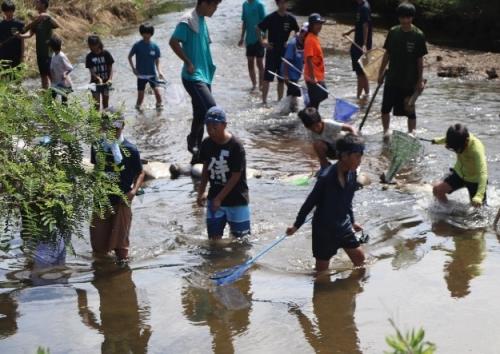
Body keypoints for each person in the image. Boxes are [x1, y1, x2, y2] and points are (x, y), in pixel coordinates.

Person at [286, 134, 366, 272]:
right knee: (322, 272)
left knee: (360, 260)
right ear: (345, 156)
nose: (360, 161)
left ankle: (353, 290)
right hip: (324, 230)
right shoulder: (326, 178)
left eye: (361, 156)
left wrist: (352, 221)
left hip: (344, 226)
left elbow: (347, 200)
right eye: (357, 156)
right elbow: (309, 203)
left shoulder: (352, 174)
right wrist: (296, 226)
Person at [90, 108, 145, 265]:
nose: (112, 130)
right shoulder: (97, 146)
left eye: (116, 126)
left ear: (123, 126)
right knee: (99, 248)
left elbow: (140, 173)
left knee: (121, 249)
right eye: (108, 126)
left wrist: (133, 191)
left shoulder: (131, 149)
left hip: (122, 201)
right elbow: (96, 168)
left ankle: (121, 276)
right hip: (101, 200)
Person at [170, 0, 221, 165]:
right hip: (193, 76)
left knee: (200, 114)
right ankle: (217, 149)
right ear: (205, 3)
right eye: (214, 5)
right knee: (213, 111)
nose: (216, 9)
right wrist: (188, 61)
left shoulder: (203, 21)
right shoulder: (188, 20)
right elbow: (173, 42)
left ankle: (196, 154)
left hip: (205, 75)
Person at [197, 106, 250, 240]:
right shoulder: (206, 144)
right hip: (214, 197)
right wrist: (201, 191)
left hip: (236, 200)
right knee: (214, 242)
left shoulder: (236, 146)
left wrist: (219, 198)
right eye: (208, 127)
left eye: (215, 126)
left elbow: (236, 175)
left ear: (224, 125)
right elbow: (205, 169)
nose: (211, 130)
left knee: (240, 242)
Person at [377, 2, 427, 138]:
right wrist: (381, 73)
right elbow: (387, 54)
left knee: (410, 108)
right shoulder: (393, 32)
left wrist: (420, 80)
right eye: (402, 17)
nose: (405, 20)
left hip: (409, 79)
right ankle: (386, 130)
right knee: (385, 107)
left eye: (408, 17)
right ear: (398, 18)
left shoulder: (418, 35)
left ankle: (411, 133)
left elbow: (420, 60)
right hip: (392, 77)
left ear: (412, 18)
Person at [432, 124, 487, 208]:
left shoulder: (476, 149)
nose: (456, 151)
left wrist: (479, 196)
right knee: (437, 189)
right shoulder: (459, 137)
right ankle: (448, 212)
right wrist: (437, 141)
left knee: (478, 210)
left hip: (475, 180)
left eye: (456, 149)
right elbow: (448, 139)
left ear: (465, 143)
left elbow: (483, 173)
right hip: (459, 173)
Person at [257, 0, 299, 105]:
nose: (283, 5)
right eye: (281, 3)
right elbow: (258, 28)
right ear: (277, 4)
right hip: (272, 50)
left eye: (285, 2)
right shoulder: (271, 17)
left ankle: (279, 101)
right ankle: (264, 102)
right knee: (267, 78)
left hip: (284, 52)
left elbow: (297, 32)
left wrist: (290, 42)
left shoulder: (290, 19)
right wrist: (263, 42)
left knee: (281, 78)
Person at [17, 0, 60, 89]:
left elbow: (57, 25)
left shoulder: (47, 19)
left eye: (37, 2)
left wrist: (48, 16)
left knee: (51, 75)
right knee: (43, 76)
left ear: (44, 5)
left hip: (49, 53)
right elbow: (29, 34)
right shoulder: (36, 20)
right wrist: (20, 36)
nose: (35, 4)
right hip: (39, 53)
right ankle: (46, 97)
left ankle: (55, 94)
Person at [128, 23, 164, 111]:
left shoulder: (155, 47)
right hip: (141, 75)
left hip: (152, 74)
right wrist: (133, 69)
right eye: (144, 33)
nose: (146, 35)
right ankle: (137, 110)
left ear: (151, 34)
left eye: (148, 33)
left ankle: (159, 110)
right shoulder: (137, 45)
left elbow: (157, 60)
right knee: (140, 95)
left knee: (158, 94)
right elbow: (129, 57)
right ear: (141, 33)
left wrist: (160, 71)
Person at [343, 0, 372, 98]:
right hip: (357, 44)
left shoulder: (364, 8)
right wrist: (350, 31)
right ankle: (367, 95)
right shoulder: (360, 6)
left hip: (361, 46)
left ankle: (358, 97)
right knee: (363, 73)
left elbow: (366, 25)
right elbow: (360, 24)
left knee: (360, 73)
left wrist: (364, 44)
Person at [238, 0, 266, 91]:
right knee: (250, 63)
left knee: (259, 63)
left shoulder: (260, 5)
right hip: (249, 39)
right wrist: (242, 37)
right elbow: (244, 22)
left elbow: (265, 22)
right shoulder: (244, 5)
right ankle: (254, 85)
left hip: (259, 39)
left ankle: (261, 86)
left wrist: (265, 38)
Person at [281, 22, 307, 112]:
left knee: (292, 94)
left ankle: (288, 110)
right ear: (302, 32)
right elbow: (286, 61)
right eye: (305, 33)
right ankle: (291, 110)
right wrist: (286, 75)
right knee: (296, 92)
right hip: (289, 73)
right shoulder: (292, 44)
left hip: (297, 74)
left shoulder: (304, 43)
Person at [304, 13, 328, 110]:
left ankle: (309, 116)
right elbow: (308, 59)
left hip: (319, 75)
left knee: (322, 96)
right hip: (312, 77)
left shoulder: (314, 37)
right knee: (317, 99)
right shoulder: (310, 39)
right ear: (311, 25)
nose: (319, 26)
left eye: (320, 24)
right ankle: (306, 115)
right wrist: (312, 77)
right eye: (317, 24)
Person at [86, 35, 114, 110]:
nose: (92, 47)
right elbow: (92, 72)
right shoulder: (89, 57)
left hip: (106, 83)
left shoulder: (106, 54)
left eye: (94, 45)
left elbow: (110, 68)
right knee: (96, 105)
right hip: (94, 83)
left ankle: (105, 120)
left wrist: (110, 79)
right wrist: (98, 78)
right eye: (90, 46)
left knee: (105, 104)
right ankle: (96, 121)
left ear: (98, 44)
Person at [0, 0, 24, 71]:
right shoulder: (1, 25)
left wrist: (22, 56)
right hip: (3, 55)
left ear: (13, 11)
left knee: (17, 78)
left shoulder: (19, 24)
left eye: (11, 11)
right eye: (7, 11)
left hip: (16, 55)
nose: (9, 13)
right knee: (5, 78)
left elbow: (22, 40)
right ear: (4, 11)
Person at [48, 35, 72, 104]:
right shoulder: (53, 56)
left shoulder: (61, 56)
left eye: (49, 46)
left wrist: (65, 74)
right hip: (55, 82)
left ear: (52, 47)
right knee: (50, 100)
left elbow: (70, 68)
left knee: (64, 102)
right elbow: (52, 69)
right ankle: (53, 113)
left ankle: (64, 114)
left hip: (64, 82)